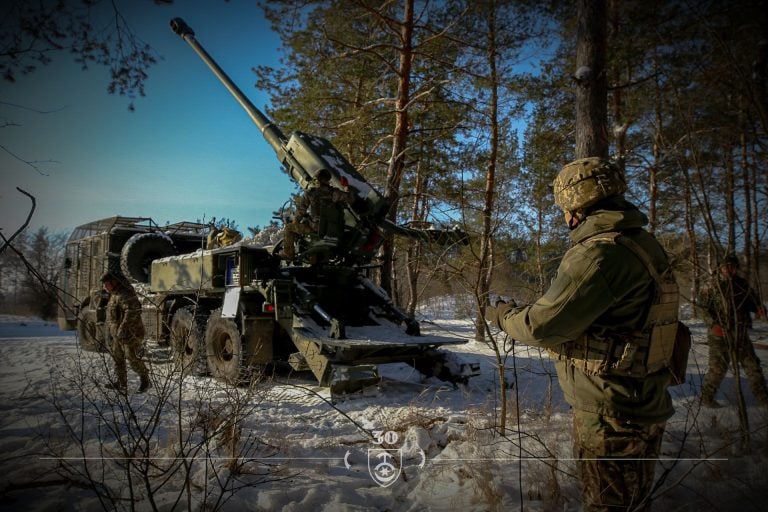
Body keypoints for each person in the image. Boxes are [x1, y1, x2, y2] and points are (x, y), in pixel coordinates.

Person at [486, 157, 683, 511]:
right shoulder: (642, 243)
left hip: (612, 412)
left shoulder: (599, 254)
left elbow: (541, 326)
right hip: (640, 401)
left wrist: (502, 316)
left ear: (574, 208)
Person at [699, 254, 768, 408]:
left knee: (753, 366)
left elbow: (752, 301)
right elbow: (703, 309)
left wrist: (759, 308)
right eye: (726, 267)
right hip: (719, 335)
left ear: (736, 268)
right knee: (718, 368)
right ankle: (706, 399)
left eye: (733, 267)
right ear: (720, 268)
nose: (729, 270)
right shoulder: (711, 285)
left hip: (740, 333)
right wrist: (713, 325)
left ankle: (764, 399)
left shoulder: (742, 284)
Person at [280, 168, 354, 261]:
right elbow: (350, 199)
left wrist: (296, 221)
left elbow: (301, 210)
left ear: (317, 180)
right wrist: (346, 187)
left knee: (289, 228)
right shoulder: (335, 193)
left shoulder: (311, 193)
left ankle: (288, 255)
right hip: (332, 229)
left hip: (315, 228)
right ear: (328, 179)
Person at [101, 271, 151, 393]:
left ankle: (146, 381)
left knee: (132, 357)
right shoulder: (115, 294)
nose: (105, 287)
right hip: (118, 335)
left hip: (131, 333)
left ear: (114, 282)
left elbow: (132, 312)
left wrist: (122, 329)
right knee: (118, 358)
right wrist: (112, 332)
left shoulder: (125, 293)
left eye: (107, 284)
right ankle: (121, 383)